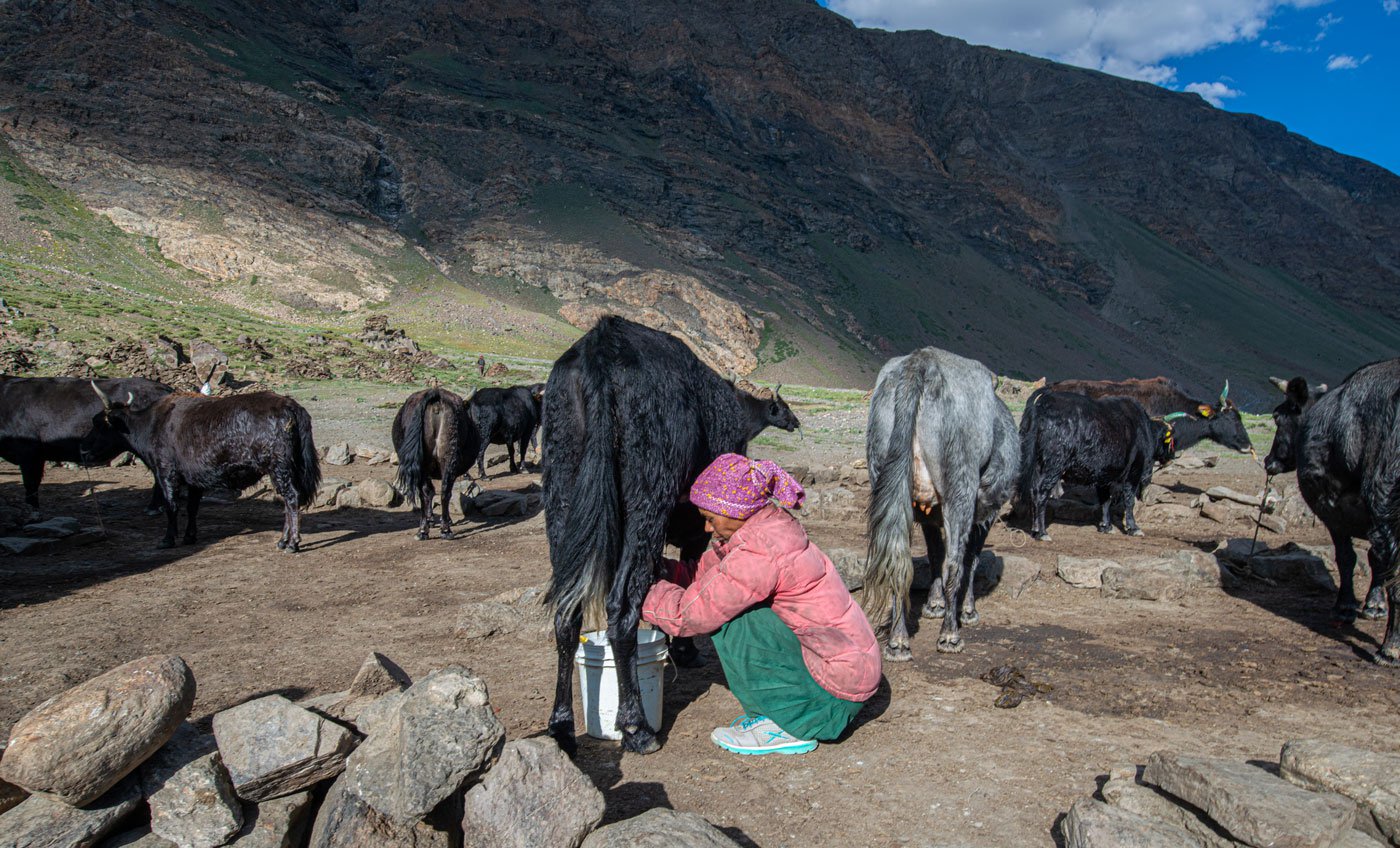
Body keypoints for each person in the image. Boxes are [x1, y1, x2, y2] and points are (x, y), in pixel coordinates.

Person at [642, 453, 881, 756]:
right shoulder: (764, 528)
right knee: (727, 601)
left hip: (832, 699)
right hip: (846, 675)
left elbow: (688, 615)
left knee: (732, 619)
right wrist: (660, 570)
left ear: (733, 511)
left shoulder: (761, 551)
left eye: (710, 518)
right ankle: (785, 711)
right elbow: (704, 579)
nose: (706, 529)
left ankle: (789, 724)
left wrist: (642, 592)